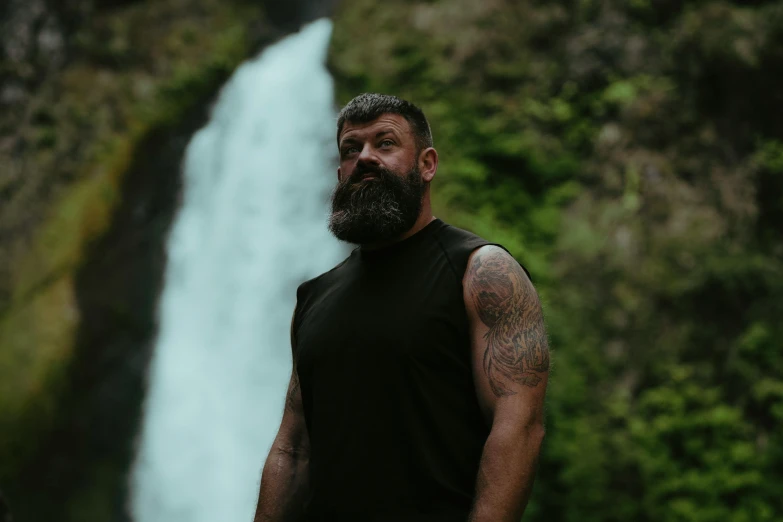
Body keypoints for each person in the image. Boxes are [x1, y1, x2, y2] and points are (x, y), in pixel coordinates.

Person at [254, 93, 549, 522]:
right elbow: (293, 447)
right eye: (351, 149)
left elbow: (519, 428)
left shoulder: (481, 271)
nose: (365, 158)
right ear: (340, 173)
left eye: (385, 143)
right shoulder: (314, 297)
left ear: (427, 164)